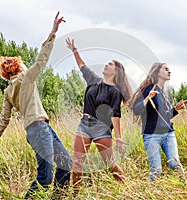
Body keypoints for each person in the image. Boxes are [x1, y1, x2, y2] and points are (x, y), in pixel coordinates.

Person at [0, 12, 72, 199]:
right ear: (18, 66)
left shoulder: (8, 92)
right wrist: (53, 32)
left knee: (65, 164)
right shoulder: (27, 77)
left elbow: (4, 118)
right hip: (39, 129)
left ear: (6, 74)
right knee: (45, 177)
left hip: (38, 129)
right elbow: (42, 59)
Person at [65, 38, 133, 193]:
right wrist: (74, 50)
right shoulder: (93, 80)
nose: (106, 65)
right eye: (107, 63)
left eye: (110, 64)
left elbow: (116, 115)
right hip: (84, 124)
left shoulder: (115, 91)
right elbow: (82, 66)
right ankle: (75, 195)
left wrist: (119, 138)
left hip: (101, 128)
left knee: (110, 164)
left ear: (115, 72)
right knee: (77, 163)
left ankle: (129, 190)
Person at [130, 62, 187, 182]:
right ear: (157, 72)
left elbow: (165, 117)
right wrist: (147, 98)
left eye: (169, 69)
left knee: (175, 165)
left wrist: (176, 109)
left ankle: (185, 187)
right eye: (166, 69)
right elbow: (136, 110)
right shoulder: (147, 89)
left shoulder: (164, 94)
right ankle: (149, 193)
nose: (169, 71)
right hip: (152, 136)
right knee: (156, 171)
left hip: (168, 134)